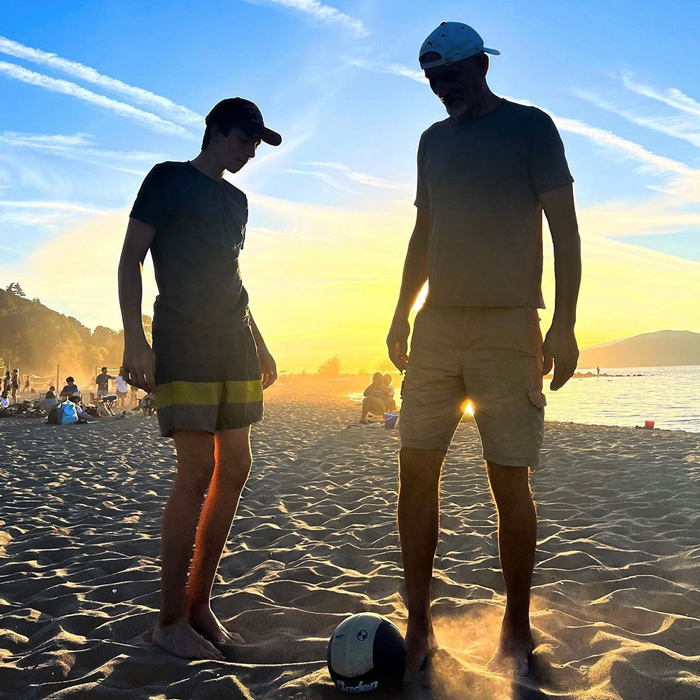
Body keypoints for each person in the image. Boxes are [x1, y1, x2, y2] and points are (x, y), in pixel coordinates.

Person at [386, 23, 581, 677]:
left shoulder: (532, 128)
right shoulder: (432, 142)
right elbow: (424, 232)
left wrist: (565, 325)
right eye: (433, 81)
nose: (443, 91)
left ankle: (517, 627)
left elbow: (565, 232)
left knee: (509, 480)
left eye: (452, 77)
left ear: (480, 67)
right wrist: (399, 314)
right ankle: (419, 625)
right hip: (437, 326)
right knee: (415, 470)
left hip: (509, 325)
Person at [119, 97, 281, 661]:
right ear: (214, 130)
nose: (251, 151)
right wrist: (135, 339)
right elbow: (130, 260)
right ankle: (168, 620)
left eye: (257, 143)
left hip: (234, 341)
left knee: (236, 466)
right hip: (183, 336)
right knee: (199, 469)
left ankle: (199, 605)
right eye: (244, 139)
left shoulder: (237, 201)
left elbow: (234, 277)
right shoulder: (167, 179)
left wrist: (259, 341)